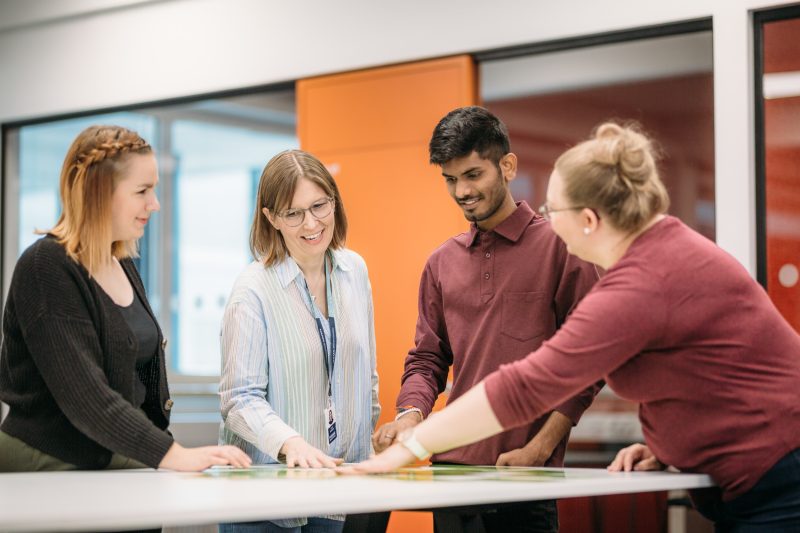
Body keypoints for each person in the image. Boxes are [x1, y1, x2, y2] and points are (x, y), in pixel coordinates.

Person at [347, 122, 800, 532]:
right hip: (755, 479)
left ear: (587, 220)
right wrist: (671, 446)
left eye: (552, 206)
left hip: (779, 478)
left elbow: (527, 387)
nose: (544, 216)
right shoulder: (664, 250)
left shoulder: (643, 281)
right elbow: (706, 368)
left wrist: (410, 448)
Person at [370, 106, 600, 533]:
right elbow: (427, 358)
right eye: (450, 179)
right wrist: (409, 415)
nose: (461, 191)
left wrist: (541, 448)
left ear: (507, 166)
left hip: (525, 477)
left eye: (473, 175)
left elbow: (588, 364)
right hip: (452, 476)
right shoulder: (441, 262)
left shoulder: (560, 247)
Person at [0, 125, 251, 473]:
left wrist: (159, 453)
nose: (155, 204)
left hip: (114, 456)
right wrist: (172, 455)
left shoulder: (123, 263)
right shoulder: (46, 267)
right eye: (142, 190)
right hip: (49, 462)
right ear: (97, 191)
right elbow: (85, 397)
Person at [219, 149, 380, 532]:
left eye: (320, 206)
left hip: (337, 487)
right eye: (294, 213)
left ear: (334, 202)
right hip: (265, 501)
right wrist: (291, 444)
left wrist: (370, 451)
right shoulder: (253, 290)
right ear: (271, 217)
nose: (312, 223)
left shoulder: (353, 271)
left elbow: (365, 375)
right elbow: (239, 399)